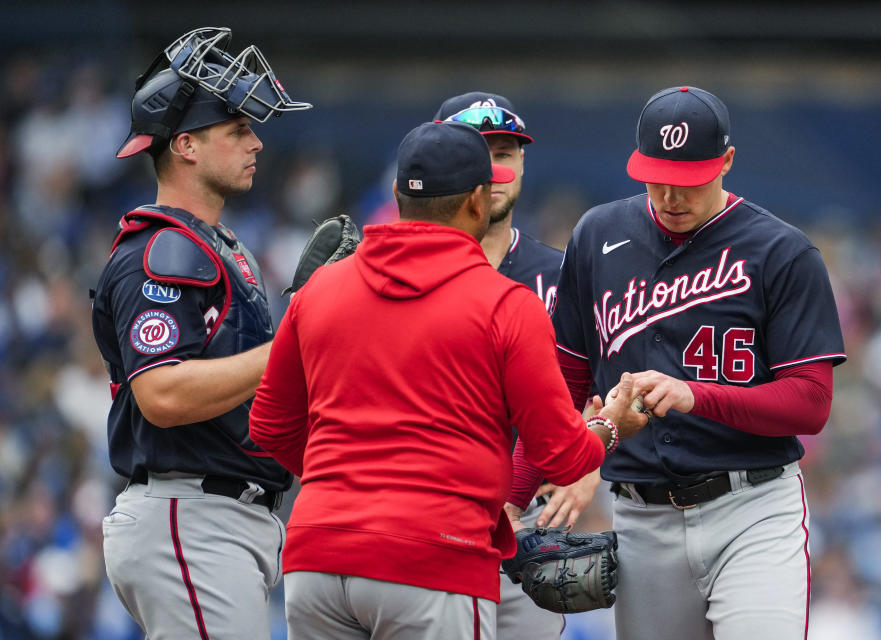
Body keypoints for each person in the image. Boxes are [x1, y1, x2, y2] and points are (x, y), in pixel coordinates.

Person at [248, 121, 648, 640]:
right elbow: (561, 455)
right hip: (433, 556)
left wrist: (356, 480)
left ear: (396, 195)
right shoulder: (506, 303)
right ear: (479, 201)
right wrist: (609, 427)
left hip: (317, 558)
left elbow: (270, 426)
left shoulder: (320, 288)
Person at [546, 86, 847, 640]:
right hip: (641, 515)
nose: (670, 195)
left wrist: (696, 395)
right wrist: (556, 473)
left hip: (752, 507)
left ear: (727, 162)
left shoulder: (782, 252)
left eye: (689, 180)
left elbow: (811, 402)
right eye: (657, 177)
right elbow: (564, 380)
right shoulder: (597, 235)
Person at [90, 27, 311, 640]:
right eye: (238, 129)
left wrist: (311, 314)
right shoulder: (160, 250)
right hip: (192, 514)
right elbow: (162, 396)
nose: (257, 142)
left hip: (222, 519)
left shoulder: (216, 247)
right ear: (185, 144)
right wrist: (295, 339)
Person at [434, 92, 593, 638]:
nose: (494, 169)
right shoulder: (395, 273)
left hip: (524, 530)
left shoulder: (565, 274)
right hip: (428, 521)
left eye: (507, 152)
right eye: (477, 152)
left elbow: (598, 392)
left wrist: (590, 465)